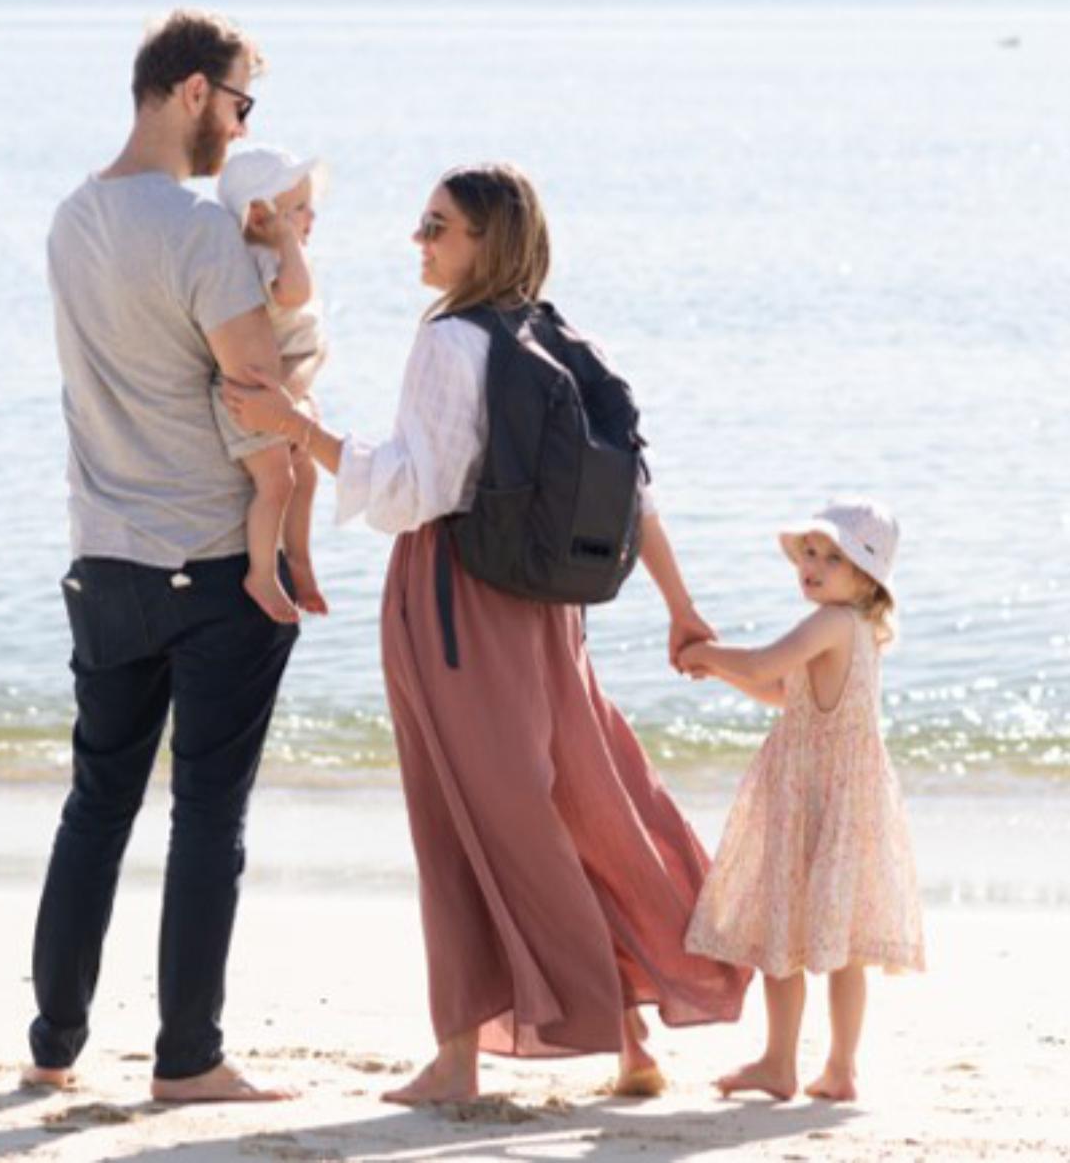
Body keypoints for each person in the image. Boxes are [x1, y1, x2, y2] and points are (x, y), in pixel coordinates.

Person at [223, 162, 749, 1105]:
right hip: (552, 613)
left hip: (454, 599)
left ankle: (462, 1059)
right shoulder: (556, 335)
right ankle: (632, 1037)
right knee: (577, 803)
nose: (418, 243)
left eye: (437, 229)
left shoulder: (451, 341)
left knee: (462, 819)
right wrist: (680, 604)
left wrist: (295, 427)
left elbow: (413, 490)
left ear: (487, 243)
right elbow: (635, 491)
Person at [23, 8, 299, 1105]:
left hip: (103, 559)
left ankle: (54, 1045)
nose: (239, 126)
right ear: (191, 91)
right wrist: (283, 268)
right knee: (206, 818)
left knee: (96, 805)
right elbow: (260, 391)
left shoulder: (68, 218)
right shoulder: (194, 232)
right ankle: (188, 1059)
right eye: (239, 104)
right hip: (214, 559)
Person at [677, 498, 925, 1102]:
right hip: (844, 797)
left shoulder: (832, 623)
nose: (811, 565)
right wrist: (719, 673)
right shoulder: (858, 629)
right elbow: (787, 694)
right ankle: (840, 1068)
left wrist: (708, 653)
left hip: (813, 793)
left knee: (779, 935)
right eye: (809, 553)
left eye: (831, 557)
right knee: (845, 946)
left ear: (865, 577)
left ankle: (780, 1061)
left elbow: (765, 663)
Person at [212, 146, 332, 623]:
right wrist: (285, 243)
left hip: (280, 390)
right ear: (260, 216)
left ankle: (298, 557)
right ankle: (262, 572)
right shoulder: (260, 259)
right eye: (298, 209)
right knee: (276, 481)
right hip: (252, 394)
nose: (311, 216)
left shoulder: (277, 254)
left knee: (306, 474)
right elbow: (295, 294)